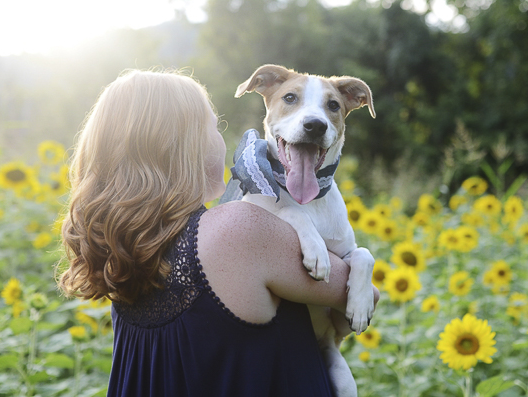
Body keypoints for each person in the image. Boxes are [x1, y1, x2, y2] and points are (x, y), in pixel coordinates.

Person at [57, 69, 378, 397]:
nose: (226, 139)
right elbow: (364, 296)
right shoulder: (242, 229)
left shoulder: (125, 251)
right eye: (214, 126)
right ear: (182, 144)